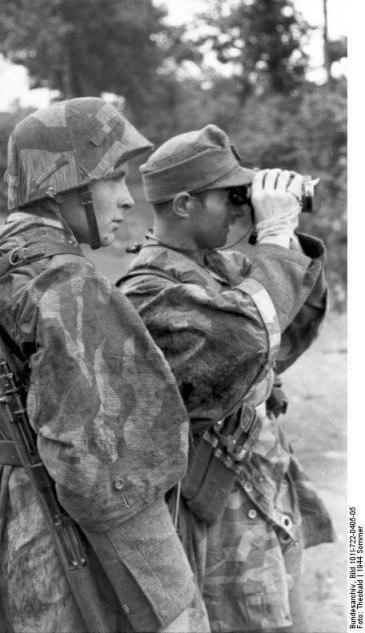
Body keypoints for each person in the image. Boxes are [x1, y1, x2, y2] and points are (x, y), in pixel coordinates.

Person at [0, 98, 211, 633]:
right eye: (114, 178)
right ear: (69, 184)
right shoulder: (65, 282)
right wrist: (173, 603)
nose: (128, 200)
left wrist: (15, 474)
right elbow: (111, 471)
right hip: (78, 548)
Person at [117, 124, 336, 633]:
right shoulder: (150, 289)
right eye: (231, 197)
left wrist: (281, 236)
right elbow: (248, 341)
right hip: (218, 517)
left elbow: (289, 333)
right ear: (185, 204)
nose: (243, 208)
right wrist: (275, 244)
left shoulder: (225, 267)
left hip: (267, 489)